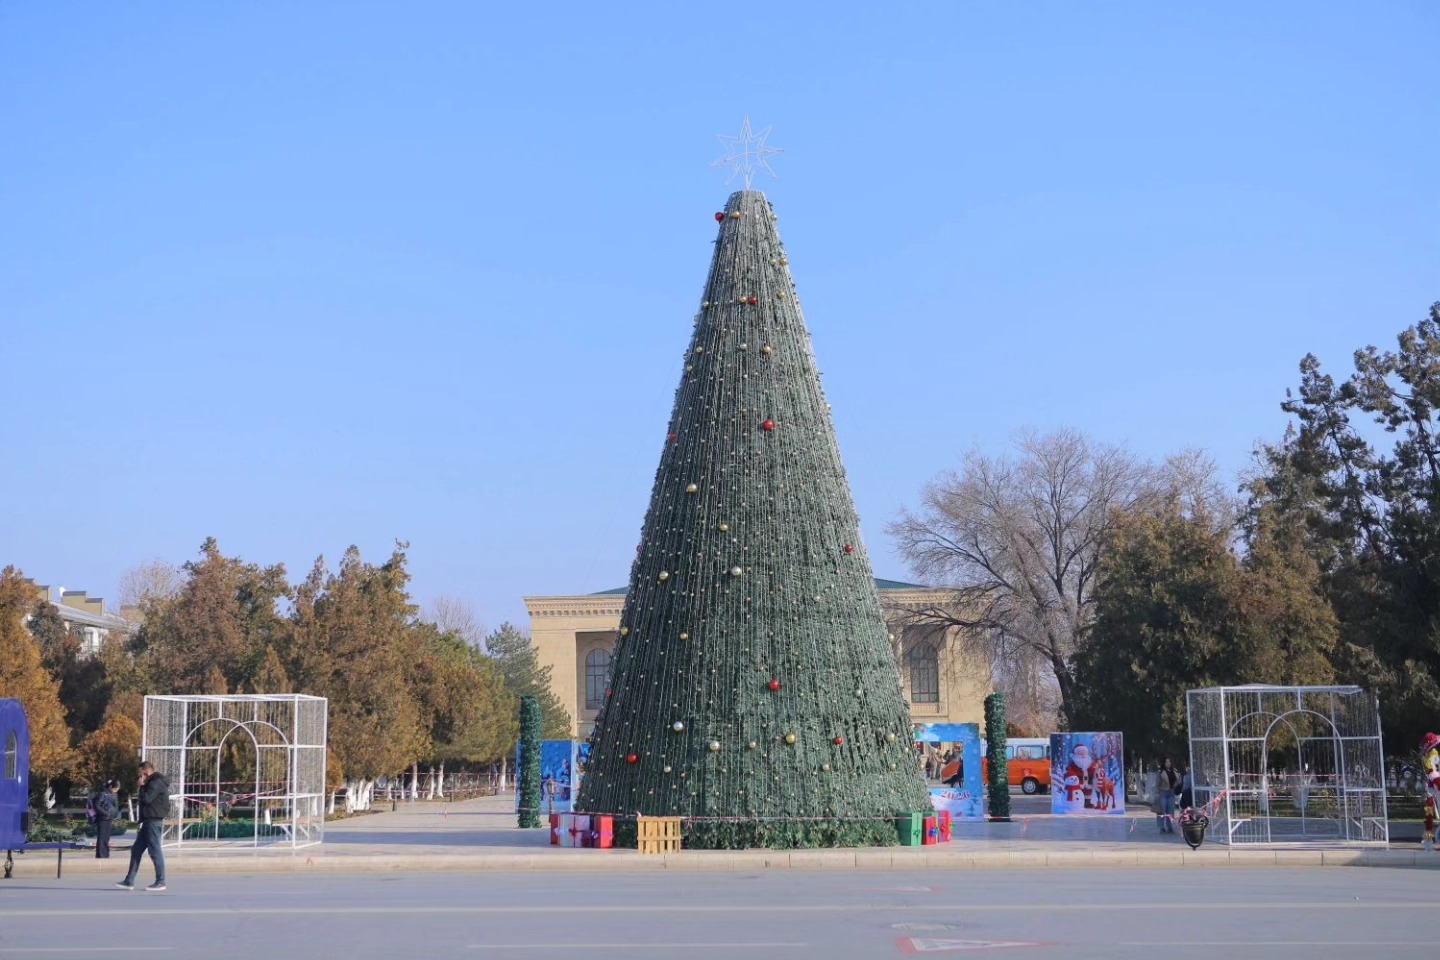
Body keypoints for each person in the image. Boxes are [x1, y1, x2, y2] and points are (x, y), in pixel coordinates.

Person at [117, 761, 169, 891]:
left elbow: (146, 799)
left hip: (153, 821)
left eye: (140, 773)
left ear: (146, 771)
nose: (139, 776)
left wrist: (141, 786)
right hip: (148, 821)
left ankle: (160, 881)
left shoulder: (156, 783)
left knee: (155, 850)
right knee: (136, 849)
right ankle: (129, 881)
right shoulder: (152, 782)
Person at [1420, 732, 1440, 851]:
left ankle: (1428, 840)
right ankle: (1428, 840)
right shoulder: (1429, 755)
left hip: (1435, 786)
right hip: (1431, 789)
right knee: (1428, 815)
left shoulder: (1433, 754)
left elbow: (1434, 772)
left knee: (1429, 815)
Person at [93, 780, 120, 858]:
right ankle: (101, 855)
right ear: (110, 787)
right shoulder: (102, 794)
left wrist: (114, 814)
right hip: (102, 819)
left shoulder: (113, 794)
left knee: (106, 838)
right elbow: (97, 805)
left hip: (109, 818)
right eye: (115, 789)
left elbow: (115, 805)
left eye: (117, 789)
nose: (115, 791)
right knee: (102, 838)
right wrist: (105, 813)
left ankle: (105, 854)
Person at [1155, 758, 1179, 833]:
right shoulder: (1161, 772)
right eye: (1166, 762)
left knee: (1171, 811)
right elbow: (1157, 784)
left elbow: (1178, 780)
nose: (1168, 763)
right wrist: (1157, 793)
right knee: (1162, 811)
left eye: (1169, 762)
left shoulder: (1174, 771)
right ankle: (1162, 827)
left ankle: (1170, 827)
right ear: (1164, 763)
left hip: (1171, 792)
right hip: (1163, 792)